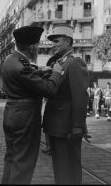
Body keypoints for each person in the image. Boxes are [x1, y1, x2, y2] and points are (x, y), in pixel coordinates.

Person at [1, 26, 64, 184]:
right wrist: (56, 72)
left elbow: (26, 77)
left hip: (11, 114)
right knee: (23, 163)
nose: (37, 48)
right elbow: (49, 90)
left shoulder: (11, 59)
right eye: (37, 46)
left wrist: (42, 72)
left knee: (12, 159)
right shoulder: (23, 67)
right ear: (32, 47)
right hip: (25, 118)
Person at [42, 23, 90, 185]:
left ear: (68, 42)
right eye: (52, 41)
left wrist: (78, 125)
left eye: (57, 41)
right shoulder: (59, 63)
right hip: (56, 125)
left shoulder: (74, 63)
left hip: (67, 127)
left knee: (69, 167)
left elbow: (80, 97)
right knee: (60, 167)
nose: (53, 45)